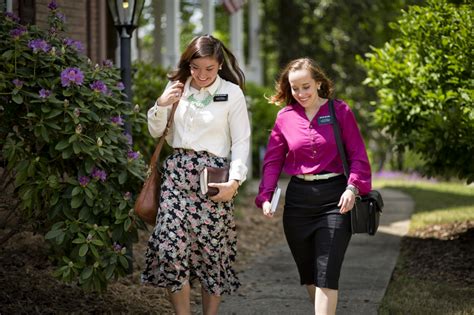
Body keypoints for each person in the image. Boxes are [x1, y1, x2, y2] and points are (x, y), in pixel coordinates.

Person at [142, 35, 250, 315]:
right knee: (170, 251)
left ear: (219, 65)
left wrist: (235, 181)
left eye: (209, 69)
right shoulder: (177, 87)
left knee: (212, 257)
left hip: (213, 181)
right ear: (188, 63)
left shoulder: (232, 93)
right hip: (176, 177)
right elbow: (156, 132)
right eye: (195, 67)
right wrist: (161, 103)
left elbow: (241, 142)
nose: (201, 75)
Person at [255, 57, 371, 315]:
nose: (300, 93)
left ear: (319, 83)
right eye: (295, 88)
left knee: (327, 272)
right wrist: (265, 196)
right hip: (298, 203)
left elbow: (358, 157)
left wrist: (353, 187)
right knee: (310, 274)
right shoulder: (284, 117)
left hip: (335, 199)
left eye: (306, 86)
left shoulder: (340, 111)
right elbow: (273, 161)